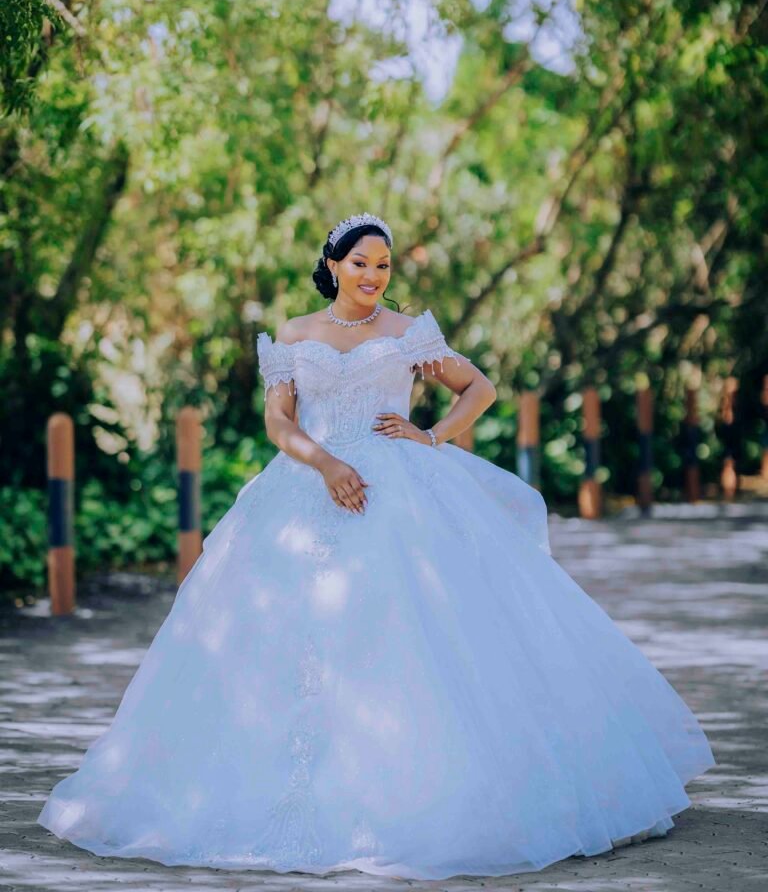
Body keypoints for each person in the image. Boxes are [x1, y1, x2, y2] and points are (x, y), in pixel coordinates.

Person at [37, 212, 715, 880]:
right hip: (305, 486)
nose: (372, 275)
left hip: (399, 490)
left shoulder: (409, 333)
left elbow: (479, 388)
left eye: (383, 265)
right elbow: (278, 421)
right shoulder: (296, 334)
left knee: (409, 630)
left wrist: (433, 435)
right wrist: (326, 464)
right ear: (333, 265)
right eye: (360, 263)